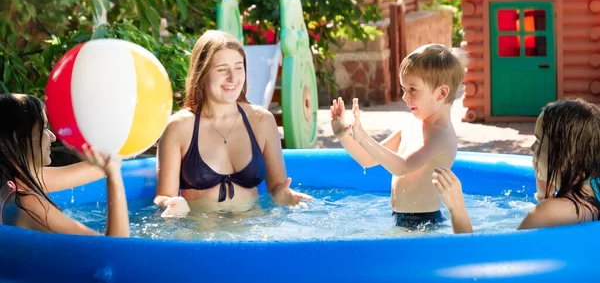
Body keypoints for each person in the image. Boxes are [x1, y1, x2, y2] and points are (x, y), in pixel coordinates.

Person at [154, 30, 311, 217]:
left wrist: (285, 195)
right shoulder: (179, 127)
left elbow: (277, 187)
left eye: (238, 68)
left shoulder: (262, 121)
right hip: (199, 234)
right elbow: (163, 196)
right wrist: (169, 203)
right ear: (201, 74)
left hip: (252, 230)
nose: (233, 78)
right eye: (222, 69)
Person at [330, 44, 466, 230]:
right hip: (399, 218)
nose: (404, 96)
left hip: (423, 223)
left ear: (441, 93)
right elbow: (368, 159)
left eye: (412, 89)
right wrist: (344, 135)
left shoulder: (441, 135)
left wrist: (363, 137)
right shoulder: (411, 126)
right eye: (403, 88)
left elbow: (403, 167)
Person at [434, 98, 600, 233]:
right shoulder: (594, 190)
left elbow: (490, 263)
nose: (532, 148)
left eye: (538, 141)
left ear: (563, 155)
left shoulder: (547, 213)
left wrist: (457, 208)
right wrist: (543, 191)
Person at [0, 94, 129, 236]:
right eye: (43, 128)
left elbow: (102, 166)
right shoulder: (29, 205)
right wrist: (114, 176)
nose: (53, 137)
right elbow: (118, 247)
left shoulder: (15, 181)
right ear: (17, 138)